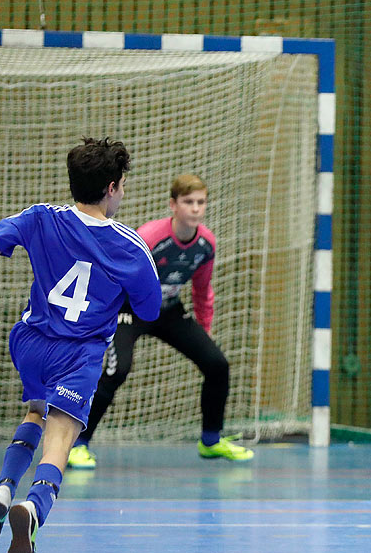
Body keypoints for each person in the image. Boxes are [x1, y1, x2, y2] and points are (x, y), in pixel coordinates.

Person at [0, 138, 161, 553]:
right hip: (78, 353)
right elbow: (150, 310)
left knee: (35, 410)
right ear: (113, 187)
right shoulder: (131, 246)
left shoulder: (43, 215)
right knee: (61, 439)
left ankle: (3, 492)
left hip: (29, 341)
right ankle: (33, 507)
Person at [67, 173, 249, 467]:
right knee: (118, 370)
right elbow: (114, 274)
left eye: (201, 202)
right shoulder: (151, 237)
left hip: (169, 311)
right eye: (188, 202)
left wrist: (203, 331)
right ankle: (79, 443)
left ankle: (211, 441)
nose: (195, 208)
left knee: (217, 365)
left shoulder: (206, 244)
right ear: (173, 205)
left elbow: (202, 289)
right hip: (131, 310)